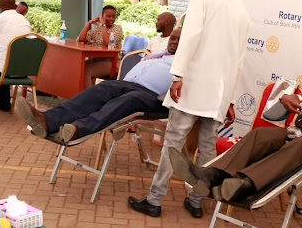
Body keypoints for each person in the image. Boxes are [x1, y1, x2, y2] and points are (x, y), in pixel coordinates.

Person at [169, 47, 302, 202]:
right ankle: (211, 175)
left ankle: (245, 185)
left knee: (300, 146)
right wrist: (290, 99)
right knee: (261, 134)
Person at [128, 0, 251, 219]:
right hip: (218, 93)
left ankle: (154, 200)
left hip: (193, 86)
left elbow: (190, 36)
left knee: (172, 143)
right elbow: (239, 62)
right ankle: (196, 202)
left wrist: (178, 75)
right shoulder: (243, 11)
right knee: (207, 149)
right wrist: (229, 99)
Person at [15, 28, 181, 143]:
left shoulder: (187, 62)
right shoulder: (159, 55)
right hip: (128, 84)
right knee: (100, 89)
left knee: (128, 100)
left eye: (180, 40)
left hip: (156, 97)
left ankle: (78, 129)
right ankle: (47, 120)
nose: (174, 42)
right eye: (173, 38)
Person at [78, 5, 123, 89]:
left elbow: (108, 43)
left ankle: (86, 98)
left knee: (87, 70)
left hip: (113, 63)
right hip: (98, 60)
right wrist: (89, 23)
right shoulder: (98, 29)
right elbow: (81, 39)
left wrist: (103, 25)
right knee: (81, 66)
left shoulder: (117, 28)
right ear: (102, 16)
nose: (111, 19)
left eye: (113, 17)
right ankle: (89, 93)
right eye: (108, 16)